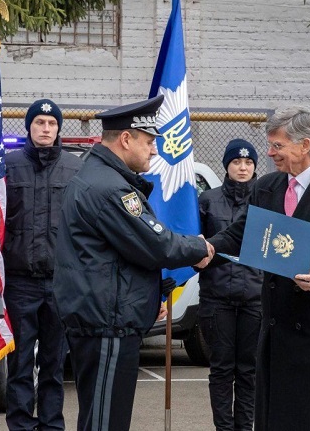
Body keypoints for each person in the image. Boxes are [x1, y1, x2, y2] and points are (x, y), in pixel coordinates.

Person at [54, 95, 215, 431]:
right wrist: (198, 246)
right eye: (149, 141)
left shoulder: (100, 178)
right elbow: (156, 244)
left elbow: (124, 254)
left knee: (101, 418)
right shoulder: (110, 189)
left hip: (104, 321)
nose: (154, 150)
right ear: (126, 139)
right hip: (107, 326)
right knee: (104, 423)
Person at [207, 106, 310, 431]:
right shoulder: (266, 187)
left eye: (277, 146)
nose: (269, 153)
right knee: (275, 417)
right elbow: (241, 234)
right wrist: (207, 246)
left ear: (304, 145)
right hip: (276, 328)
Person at [3, 98, 82, 431]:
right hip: (19, 282)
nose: (45, 129)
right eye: (39, 123)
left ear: (59, 128)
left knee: (53, 364)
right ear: (29, 127)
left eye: (51, 124)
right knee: (19, 364)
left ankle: (52, 425)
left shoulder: (75, 168)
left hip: (58, 282)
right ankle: (20, 425)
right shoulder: (9, 165)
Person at [197, 138, 263, 431]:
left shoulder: (266, 199)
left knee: (249, 372)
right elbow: (196, 248)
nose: (243, 167)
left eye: (248, 163)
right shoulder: (208, 200)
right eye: (237, 162)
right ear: (227, 165)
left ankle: (244, 427)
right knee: (222, 370)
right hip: (217, 299)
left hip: (255, 298)